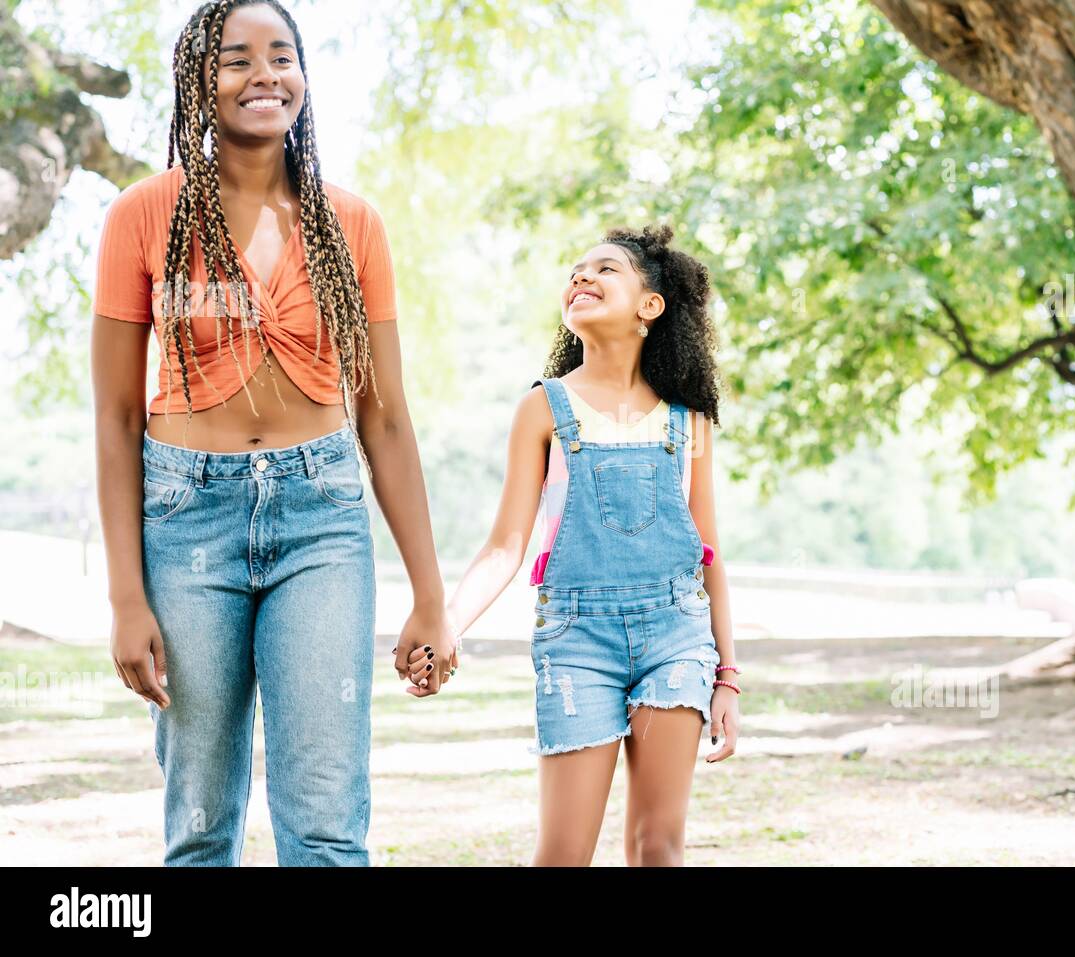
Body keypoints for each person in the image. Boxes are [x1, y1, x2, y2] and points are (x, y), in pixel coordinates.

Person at [90, 0, 457, 866]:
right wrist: (124, 595)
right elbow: (112, 418)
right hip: (186, 520)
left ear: (303, 75)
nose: (264, 74)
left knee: (327, 821)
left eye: (281, 56)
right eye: (236, 58)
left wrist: (431, 592)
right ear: (195, 80)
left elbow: (387, 416)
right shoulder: (142, 216)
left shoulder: (351, 223)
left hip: (322, 517)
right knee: (201, 820)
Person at [425, 224, 742, 866]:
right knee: (564, 854)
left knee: (658, 845)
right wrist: (448, 622)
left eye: (605, 269)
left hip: (676, 638)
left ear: (650, 306)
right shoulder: (542, 410)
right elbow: (506, 545)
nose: (581, 277)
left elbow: (707, 554)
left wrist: (728, 676)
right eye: (574, 271)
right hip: (577, 642)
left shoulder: (690, 423)